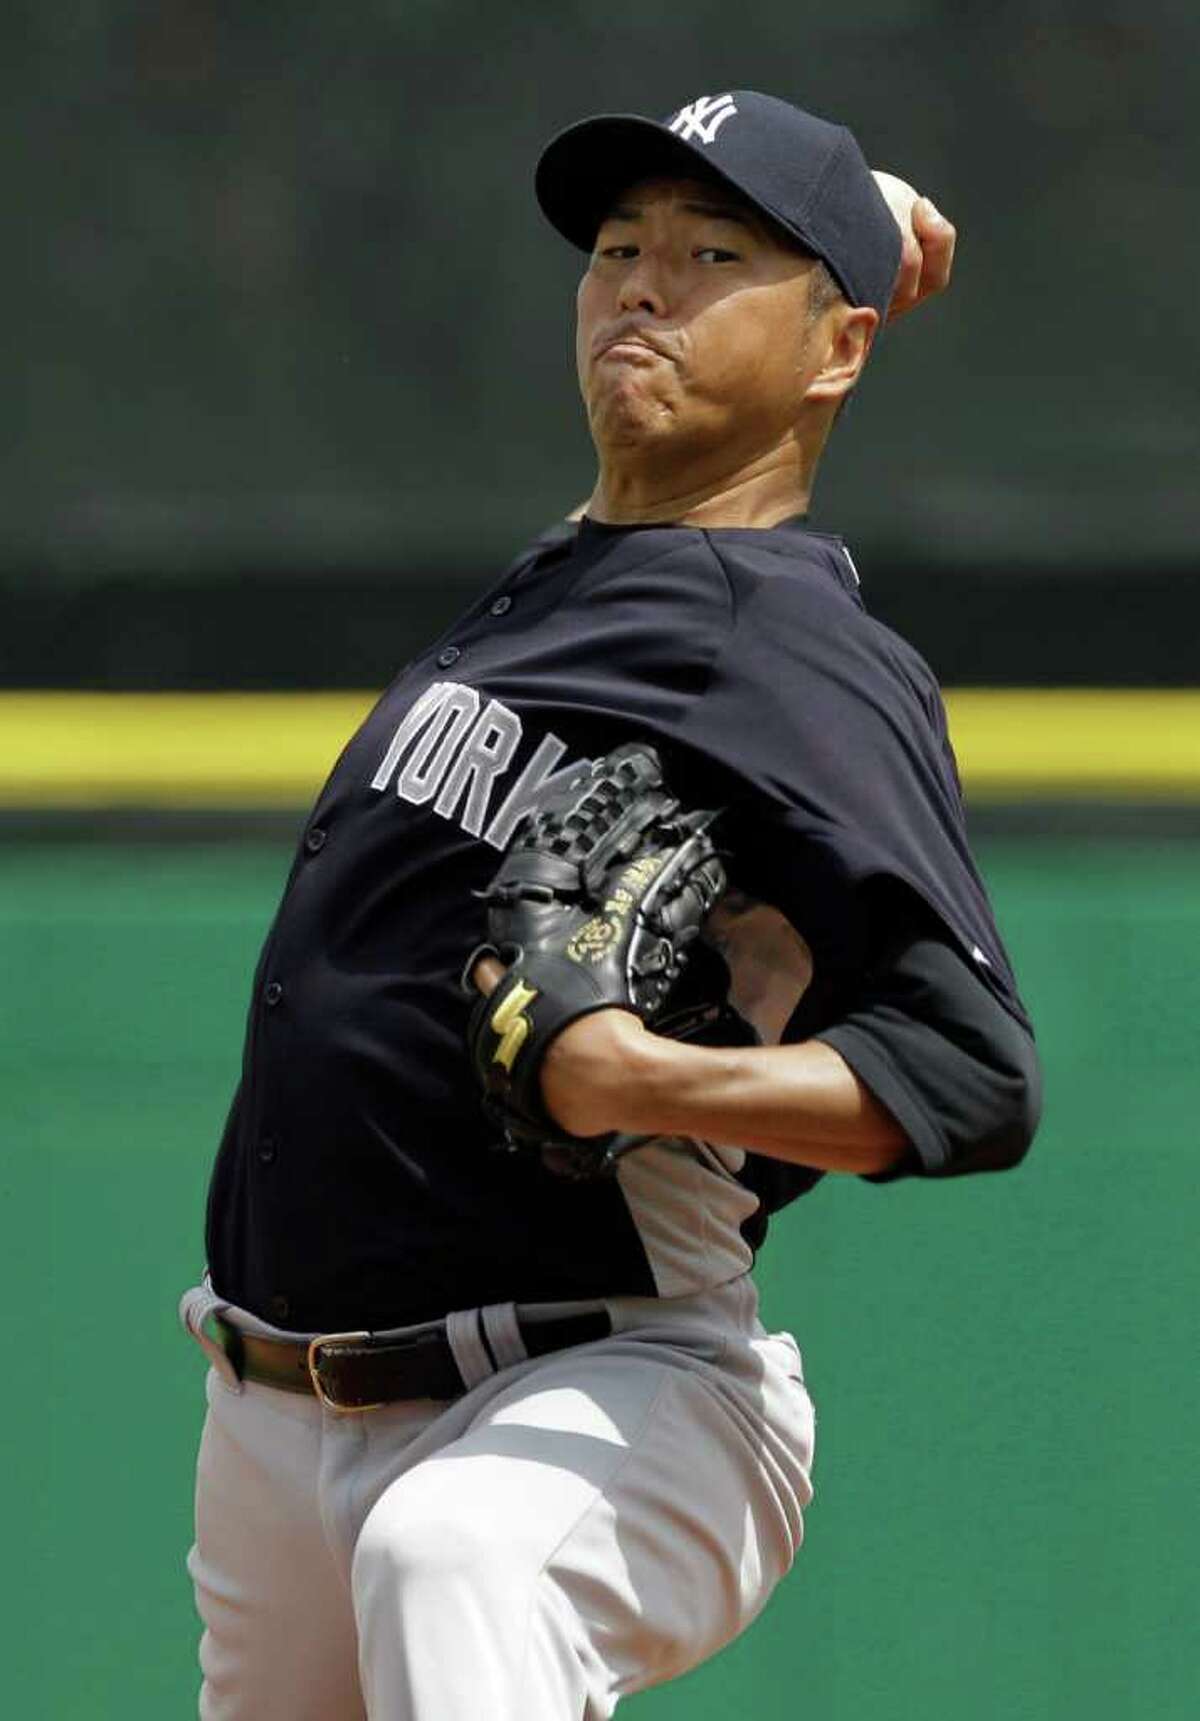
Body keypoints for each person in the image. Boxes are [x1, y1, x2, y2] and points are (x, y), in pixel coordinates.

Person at [181, 90, 1040, 1720]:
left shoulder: (781, 646)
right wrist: (815, 235)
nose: (639, 287)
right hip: (277, 1416)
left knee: (456, 1559)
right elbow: (728, 370)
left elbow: (971, 1070)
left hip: (596, 1379)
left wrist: (643, 1078)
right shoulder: (588, 567)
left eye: (706, 257)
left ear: (836, 353)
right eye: (615, 251)